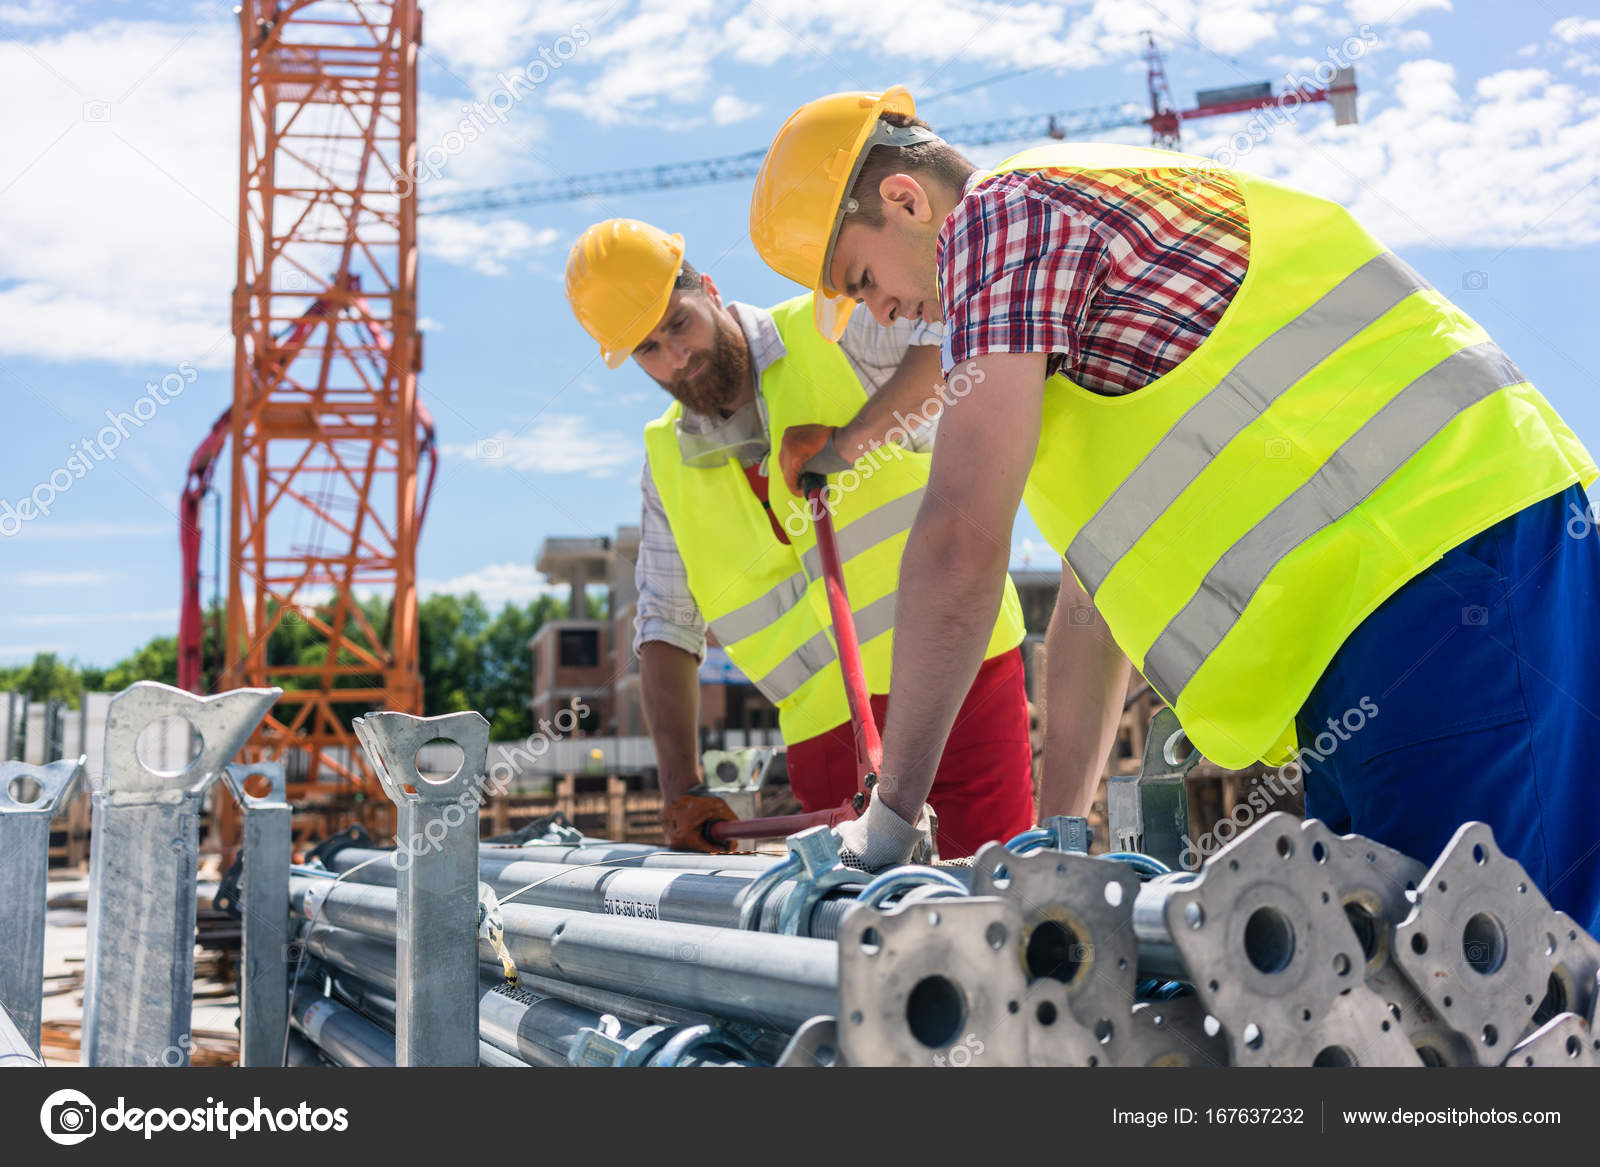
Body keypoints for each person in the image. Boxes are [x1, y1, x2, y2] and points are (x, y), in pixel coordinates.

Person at [746, 87, 1600, 936]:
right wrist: (1050, 844)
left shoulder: (1002, 214)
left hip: (1439, 571)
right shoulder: (1051, 294)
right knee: (1444, 979)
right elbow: (1092, 608)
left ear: (902, 199)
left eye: (862, 280)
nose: (882, 313)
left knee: (1483, 986)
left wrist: (890, 820)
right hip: (1405, 602)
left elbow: (961, 536)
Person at [563, 218, 1036, 856]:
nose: (676, 357)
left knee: (995, 891)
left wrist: (849, 442)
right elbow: (666, 629)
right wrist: (682, 788)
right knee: (858, 932)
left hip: (964, 680)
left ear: (707, 287)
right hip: (825, 737)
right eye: (649, 349)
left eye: (679, 323)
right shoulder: (664, 467)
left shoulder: (835, 327)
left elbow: (953, 339)